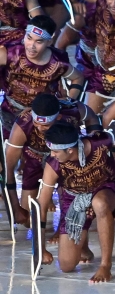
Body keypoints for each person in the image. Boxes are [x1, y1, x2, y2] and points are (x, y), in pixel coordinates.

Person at [36, 122, 115, 283]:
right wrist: (40, 249)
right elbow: (41, 206)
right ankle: (83, 246)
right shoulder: (53, 164)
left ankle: (105, 265)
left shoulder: (101, 142)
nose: (52, 155)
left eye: (55, 151)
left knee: (100, 204)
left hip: (104, 188)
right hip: (74, 198)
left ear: (70, 150)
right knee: (66, 266)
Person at [4, 94, 99, 227]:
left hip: (65, 157)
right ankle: (46, 198)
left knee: (69, 199)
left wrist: (93, 138)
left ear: (58, 118)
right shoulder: (22, 124)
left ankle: (62, 226)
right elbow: (8, 168)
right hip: (35, 156)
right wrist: (15, 207)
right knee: (28, 222)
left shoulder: (73, 111)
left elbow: (92, 117)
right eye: (36, 123)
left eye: (46, 125)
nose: (40, 128)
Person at [0, 15, 83, 131]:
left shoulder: (58, 63)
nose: (31, 46)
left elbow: (78, 77)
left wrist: (66, 102)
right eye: (29, 38)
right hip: (10, 111)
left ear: (49, 42)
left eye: (39, 41)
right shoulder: (9, 53)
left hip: (44, 118)